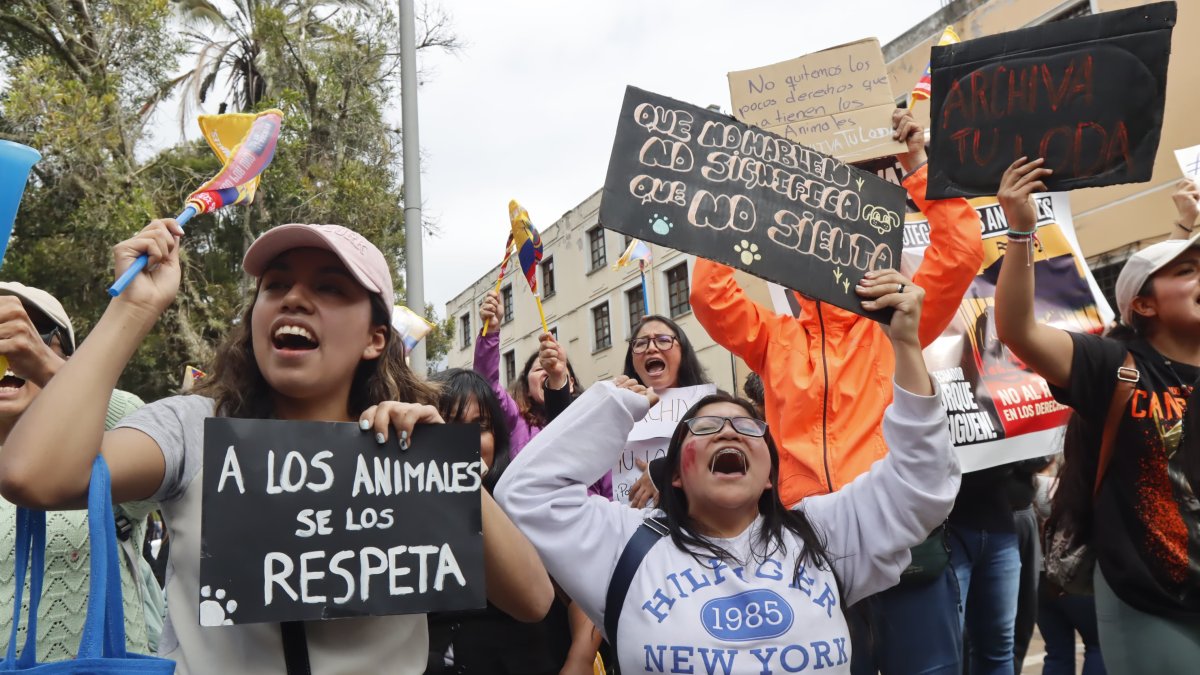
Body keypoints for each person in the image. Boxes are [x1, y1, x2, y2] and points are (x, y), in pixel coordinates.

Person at [0, 221, 553, 673]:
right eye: (275, 285)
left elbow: (532, 600)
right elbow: (33, 475)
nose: (294, 298)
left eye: (330, 287)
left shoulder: (401, 451)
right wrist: (134, 309)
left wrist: (439, 468)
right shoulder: (193, 429)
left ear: (374, 339)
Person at [495, 268, 960, 673]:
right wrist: (614, 404)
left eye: (746, 426)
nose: (729, 433)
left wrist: (905, 345)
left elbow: (923, 484)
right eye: (706, 426)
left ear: (771, 473)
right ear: (674, 473)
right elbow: (525, 494)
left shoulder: (823, 535)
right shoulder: (626, 547)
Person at [690, 107, 983, 674]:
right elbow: (710, 294)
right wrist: (726, 181)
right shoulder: (773, 338)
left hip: (903, 547)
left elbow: (962, 251)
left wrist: (916, 165)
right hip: (807, 553)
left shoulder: (898, 324)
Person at [994, 157, 1200, 674]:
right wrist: (1021, 230)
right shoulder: (1116, 367)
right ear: (1145, 306)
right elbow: (1019, 330)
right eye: (1188, 271)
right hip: (1153, 601)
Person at [0, 282, 162, 660]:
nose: (9, 346)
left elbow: (153, 453)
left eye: (34, 332)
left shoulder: (107, 438)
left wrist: (45, 367)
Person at [426, 368, 567, 675]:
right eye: (447, 423)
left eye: (481, 426)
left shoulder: (526, 506)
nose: (464, 439)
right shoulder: (400, 516)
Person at [473, 290, 611, 499]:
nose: (548, 370)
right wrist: (491, 331)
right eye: (539, 369)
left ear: (570, 383)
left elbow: (609, 487)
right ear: (527, 387)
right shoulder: (515, 422)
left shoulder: (593, 423)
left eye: (556, 369)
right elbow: (486, 385)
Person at [622, 314, 715, 509]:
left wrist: (663, 469)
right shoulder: (619, 410)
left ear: (683, 352)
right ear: (632, 361)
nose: (652, 348)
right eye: (641, 343)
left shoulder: (714, 406)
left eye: (664, 340)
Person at [1034, 424, 1106, 675]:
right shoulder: (1103, 488)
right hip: (1081, 580)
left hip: (1043, 581)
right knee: (1098, 647)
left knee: (1056, 653)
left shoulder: (1048, 489)